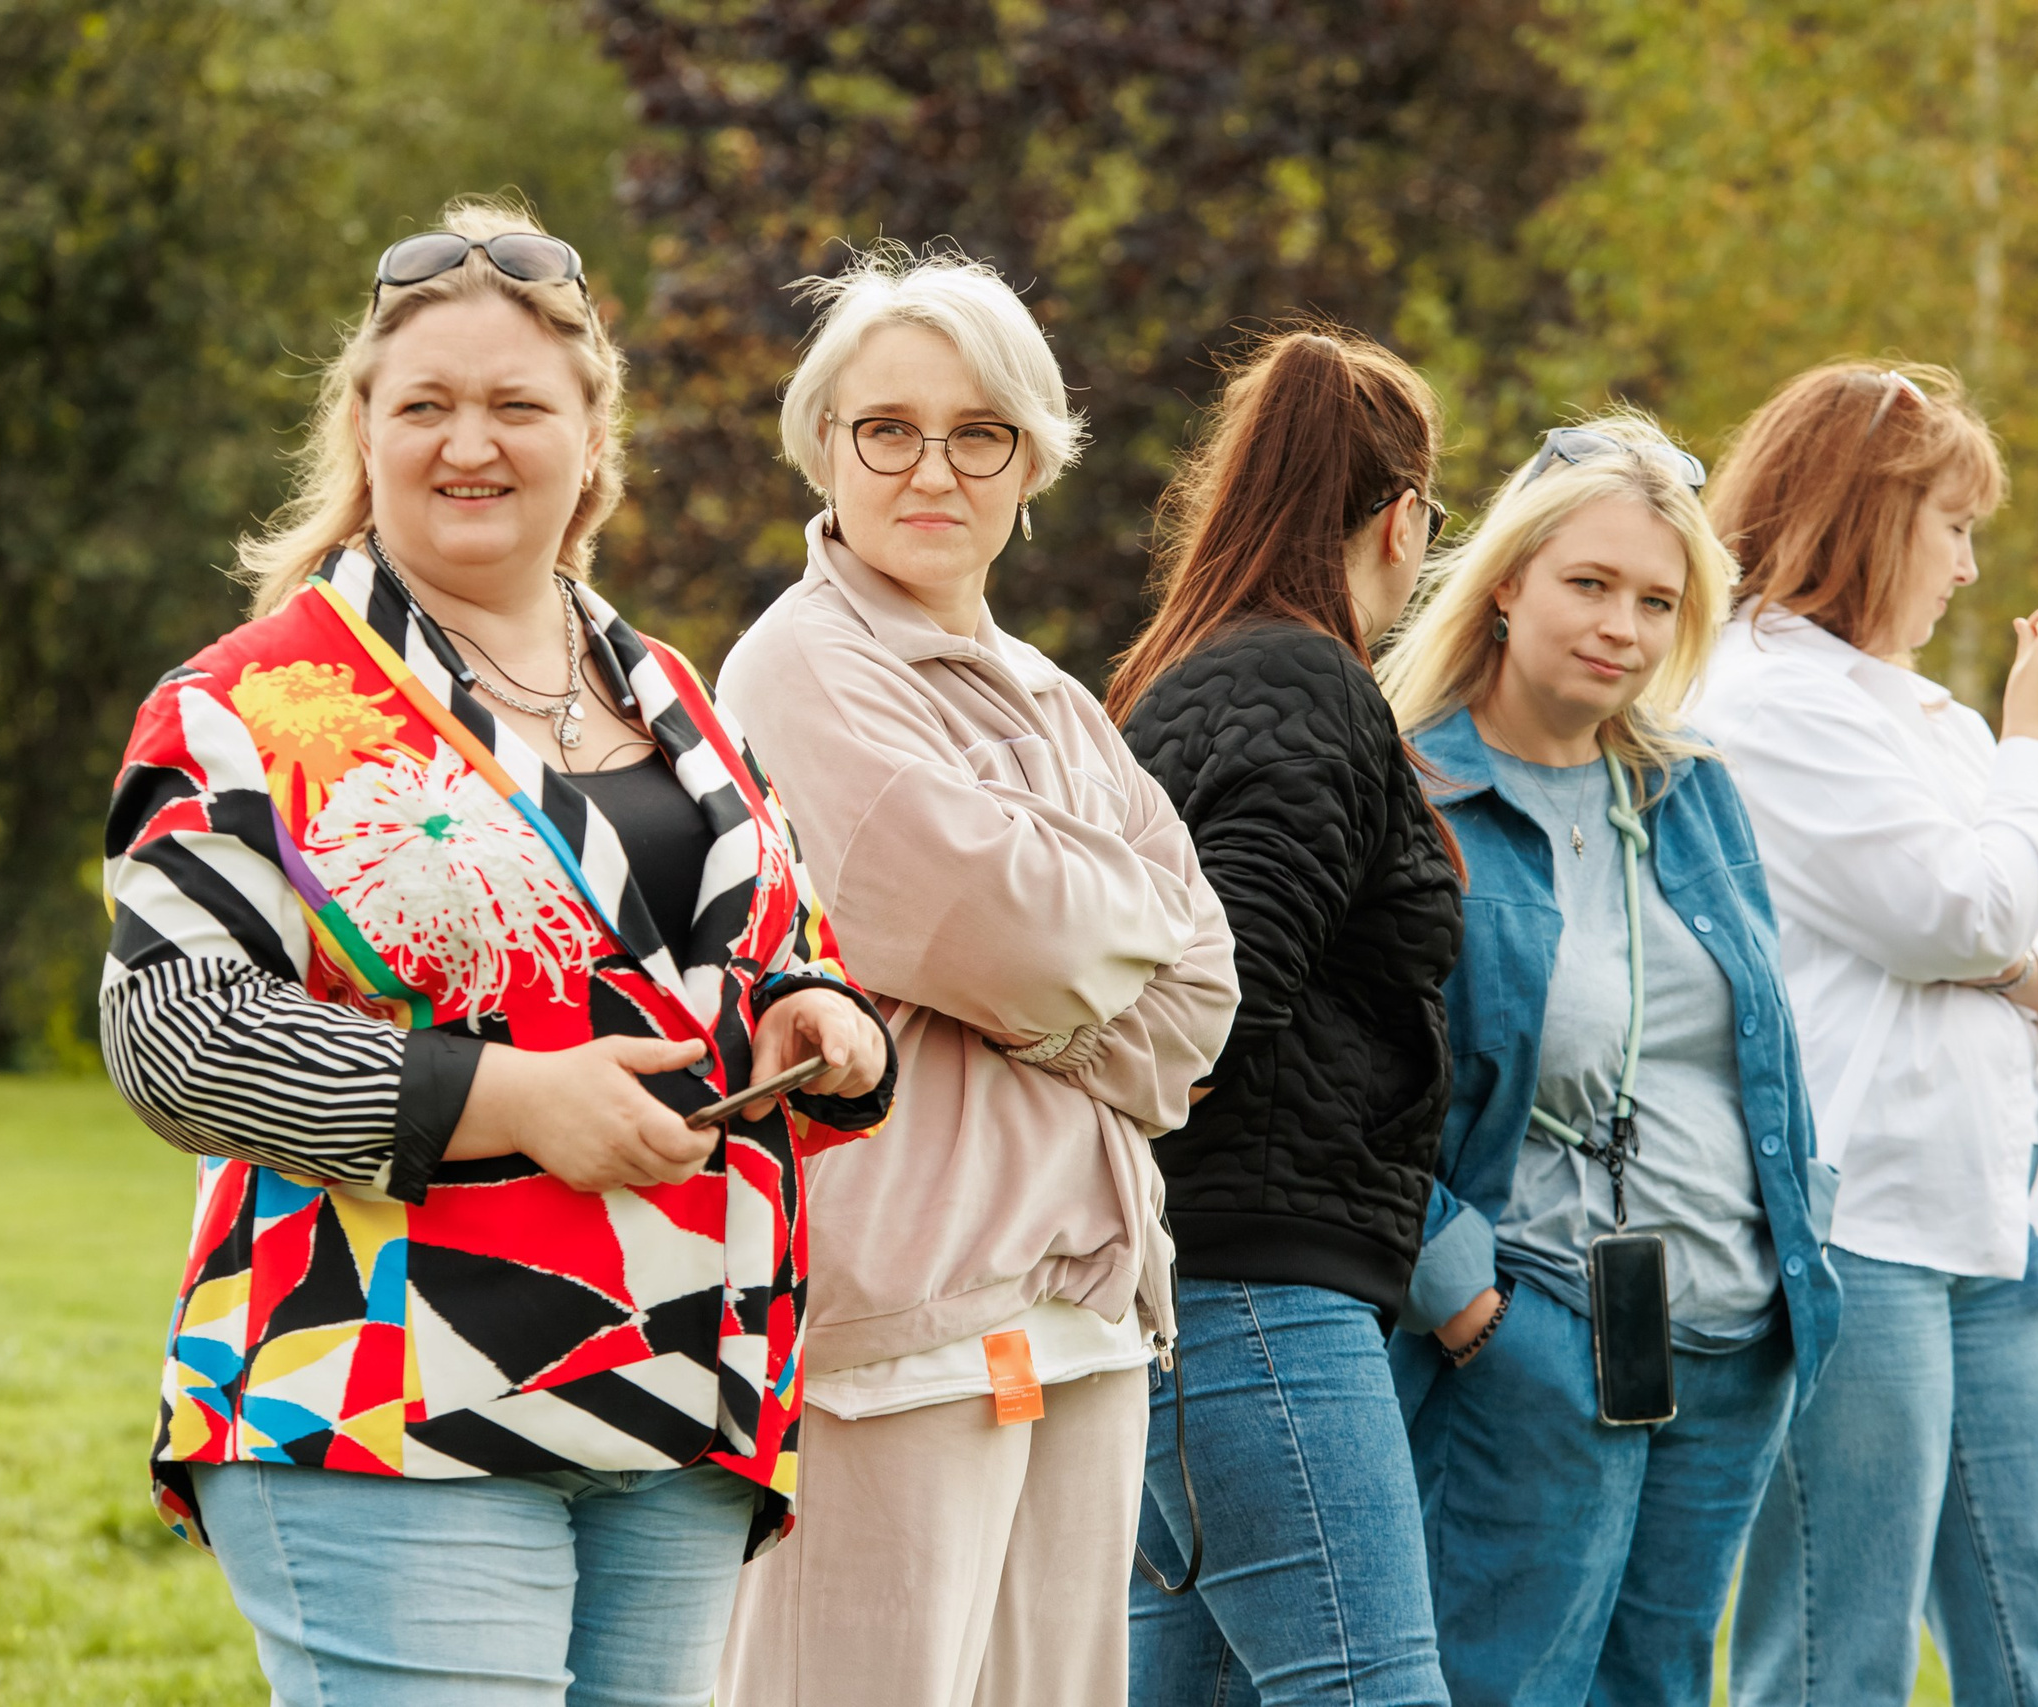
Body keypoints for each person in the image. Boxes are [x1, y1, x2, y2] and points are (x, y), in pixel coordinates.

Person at [96, 200, 895, 1706]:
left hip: (686, 1393)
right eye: (429, 406)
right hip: (389, 1397)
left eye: (519, 405)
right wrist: (513, 1101)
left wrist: (823, 1023)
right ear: (364, 431)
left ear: (592, 439)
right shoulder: (251, 705)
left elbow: (787, 949)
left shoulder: (669, 691)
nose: (473, 442)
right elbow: (176, 1036)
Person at [711, 244, 1240, 1707]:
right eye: (888, 427)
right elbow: (1040, 939)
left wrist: (1044, 972)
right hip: (906, 1315)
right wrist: (1067, 950)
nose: (928, 468)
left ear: (1031, 463)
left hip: (1090, 1300)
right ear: (826, 444)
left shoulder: (1057, 694)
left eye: (977, 433)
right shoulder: (801, 670)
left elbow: (1202, 997)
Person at [1693, 363, 2038, 1706]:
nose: (1966, 570)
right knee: (1839, 1652)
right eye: (1952, 526)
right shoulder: (1761, 700)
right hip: (1857, 1228)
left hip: (1999, 1227)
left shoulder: (1925, 721)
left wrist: (2000, 933)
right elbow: (1961, 912)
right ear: (1866, 514)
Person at [1374, 414, 1841, 1707]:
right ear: (1509, 579)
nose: (1620, 627)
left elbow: (1758, 1044)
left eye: (1655, 600)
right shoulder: (1408, 795)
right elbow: (1349, 1085)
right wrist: (1467, 1300)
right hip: (1533, 1329)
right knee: (1502, 1685)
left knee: (1661, 1686)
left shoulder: (1693, 790)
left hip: (1734, 1329)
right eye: (1589, 583)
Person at [1104, 327, 1465, 1707]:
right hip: (1258, 1284)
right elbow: (1220, 994)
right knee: (1370, 1689)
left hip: (1211, 1278)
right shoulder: (1301, 684)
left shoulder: (1189, 677)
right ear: (1402, 518)